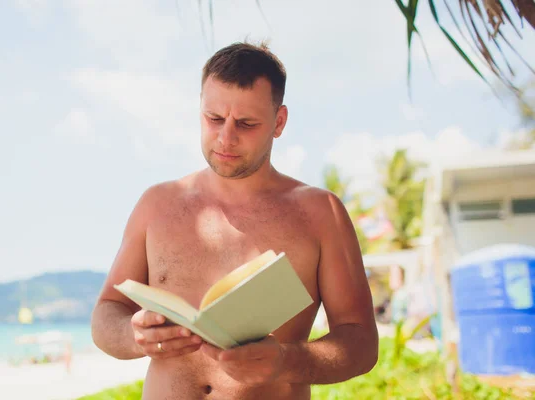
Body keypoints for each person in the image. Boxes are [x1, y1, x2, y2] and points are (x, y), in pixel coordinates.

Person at [91, 41, 378, 400]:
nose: (226, 137)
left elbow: (361, 343)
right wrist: (132, 335)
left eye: (246, 123)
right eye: (214, 119)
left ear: (279, 121)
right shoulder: (157, 204)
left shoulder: (321, 213)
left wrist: (286, 362)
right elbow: (106, 314)